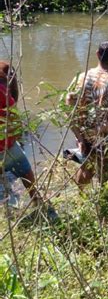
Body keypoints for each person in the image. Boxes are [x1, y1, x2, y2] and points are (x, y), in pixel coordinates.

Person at [66, 40, 108, 186]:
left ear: (97, 54)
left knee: (86, 168)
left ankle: (82, 196)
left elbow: (68, 111)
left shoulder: (80, 78)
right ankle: (104, 201)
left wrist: (81, 137)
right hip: (106, 139)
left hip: (85, 137)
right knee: (107, 175)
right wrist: (96, 132)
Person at [0, 61, 57, 219]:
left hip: (6, 143)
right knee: (26, 171)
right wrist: (16, 135)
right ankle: (39, 203)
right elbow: (15, 118)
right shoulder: (4, 92)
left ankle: (9, 216)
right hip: (8, 145)